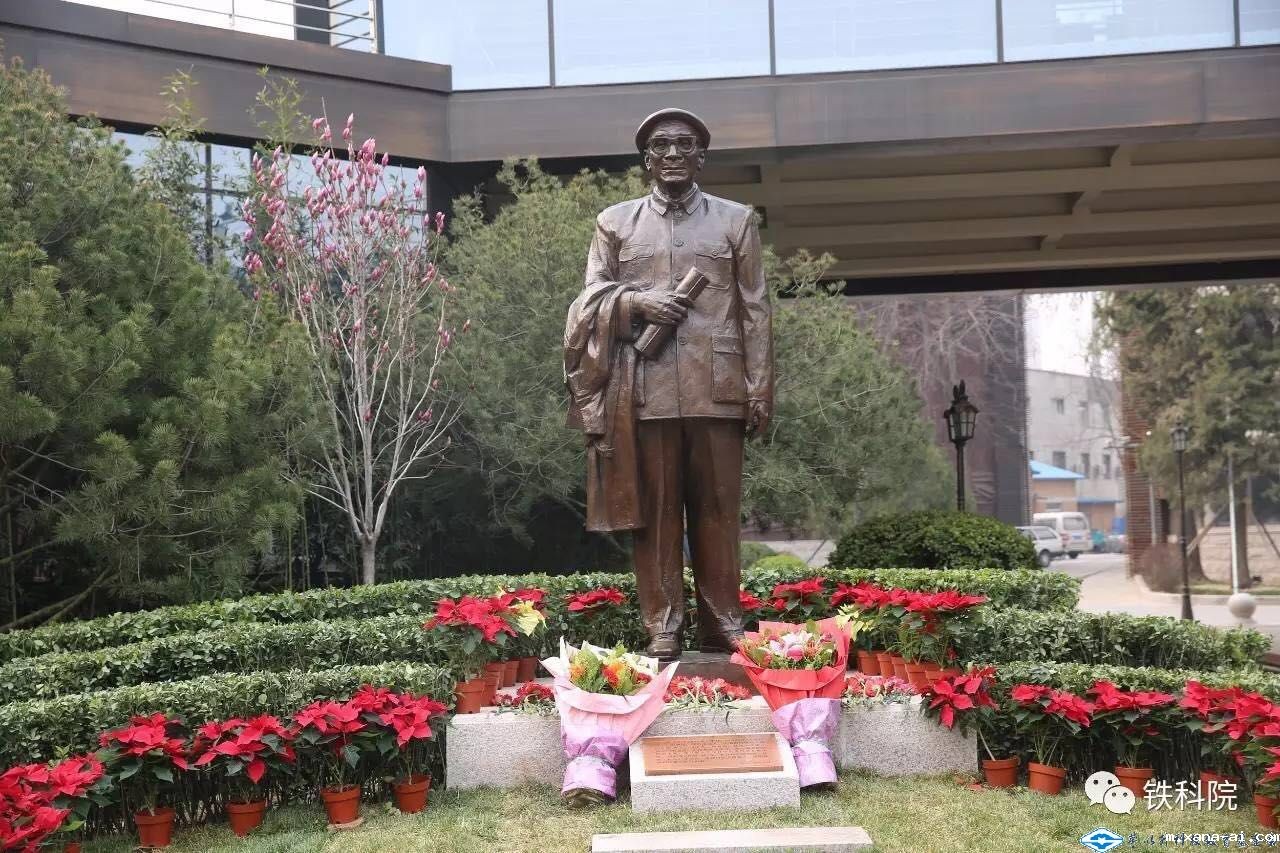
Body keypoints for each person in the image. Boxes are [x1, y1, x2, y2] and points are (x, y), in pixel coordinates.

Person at [564, 108, 773, 660]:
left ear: (701, 157)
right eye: (662, 146)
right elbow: (589, 300)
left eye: (685, 144)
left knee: (718, 512)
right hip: (645, 388)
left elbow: (754, 307)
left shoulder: (736, 220)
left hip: (719, 387)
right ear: (647, 159)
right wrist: (637, 301)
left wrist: (760, 386)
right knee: (655, 513)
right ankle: (662, 625)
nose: (673, 153)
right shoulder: (616, 222)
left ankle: (723, 622)